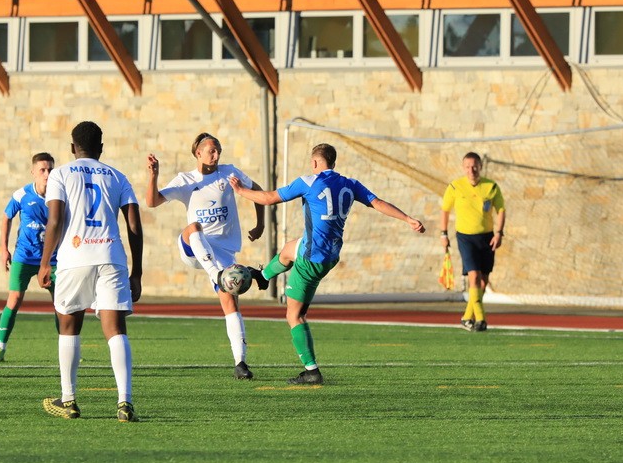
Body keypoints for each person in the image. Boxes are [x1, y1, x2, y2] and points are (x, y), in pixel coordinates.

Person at [230, 143, 425, 385]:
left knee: (294, 315)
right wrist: (407, 218)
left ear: (315, 162)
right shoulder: (350, 184)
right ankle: (263, 276)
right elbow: (378, 203)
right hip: (330, 254)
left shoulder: (309, 182)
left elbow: (269, 198)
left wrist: (241, 191)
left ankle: (311, 370)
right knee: (289, 249)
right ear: (333, 162)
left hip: (311, 259)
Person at [38, 121, 144, 422]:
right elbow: (134, 225)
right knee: (115, 330)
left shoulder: (60, 174)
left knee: (69, 326)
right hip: (111, 256)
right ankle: (125, 402)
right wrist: (137, 272)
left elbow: (55, 221)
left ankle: (69, 400)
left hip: (75, 257)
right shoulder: (118, 176)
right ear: (101, 148)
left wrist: (45, 263)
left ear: (73, 147)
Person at [143, 132, 265, 380]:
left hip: (222, 253)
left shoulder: (229, 173)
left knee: (230, 303)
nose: (216, 155)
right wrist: (153, 175)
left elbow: (258, 190)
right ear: (198, 153)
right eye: (211, 150)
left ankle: (240, 363)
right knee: (193, 227)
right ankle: (218, 274)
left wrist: (260, 224)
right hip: (193, 248)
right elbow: (152, 202)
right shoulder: (185, 180)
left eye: (218, 150)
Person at [0, 152, 59, 363]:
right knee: (14, 299)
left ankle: (70, 349)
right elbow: (6, 217)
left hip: (52, 259)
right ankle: (0, 348)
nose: (47, 174)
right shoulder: (22, 195)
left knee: (62, 304)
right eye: (42, 170)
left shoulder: (60, 196)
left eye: (50, 169)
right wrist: (4, 249)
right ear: (33, 172)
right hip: (24, 257)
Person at [439, 152, 506, 332]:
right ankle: (481, 319)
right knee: (474, 276)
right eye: (467, 166)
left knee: (483, 282)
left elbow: (500, 210)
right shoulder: (455, 186)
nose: (471, 170)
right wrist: (443, 234)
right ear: (463, 168)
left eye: (474, 166)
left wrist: (499, 233)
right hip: (465, 237)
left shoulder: (491, 187)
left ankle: (467, 317)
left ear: (480, 167)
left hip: (487, 237)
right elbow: (445, 210)